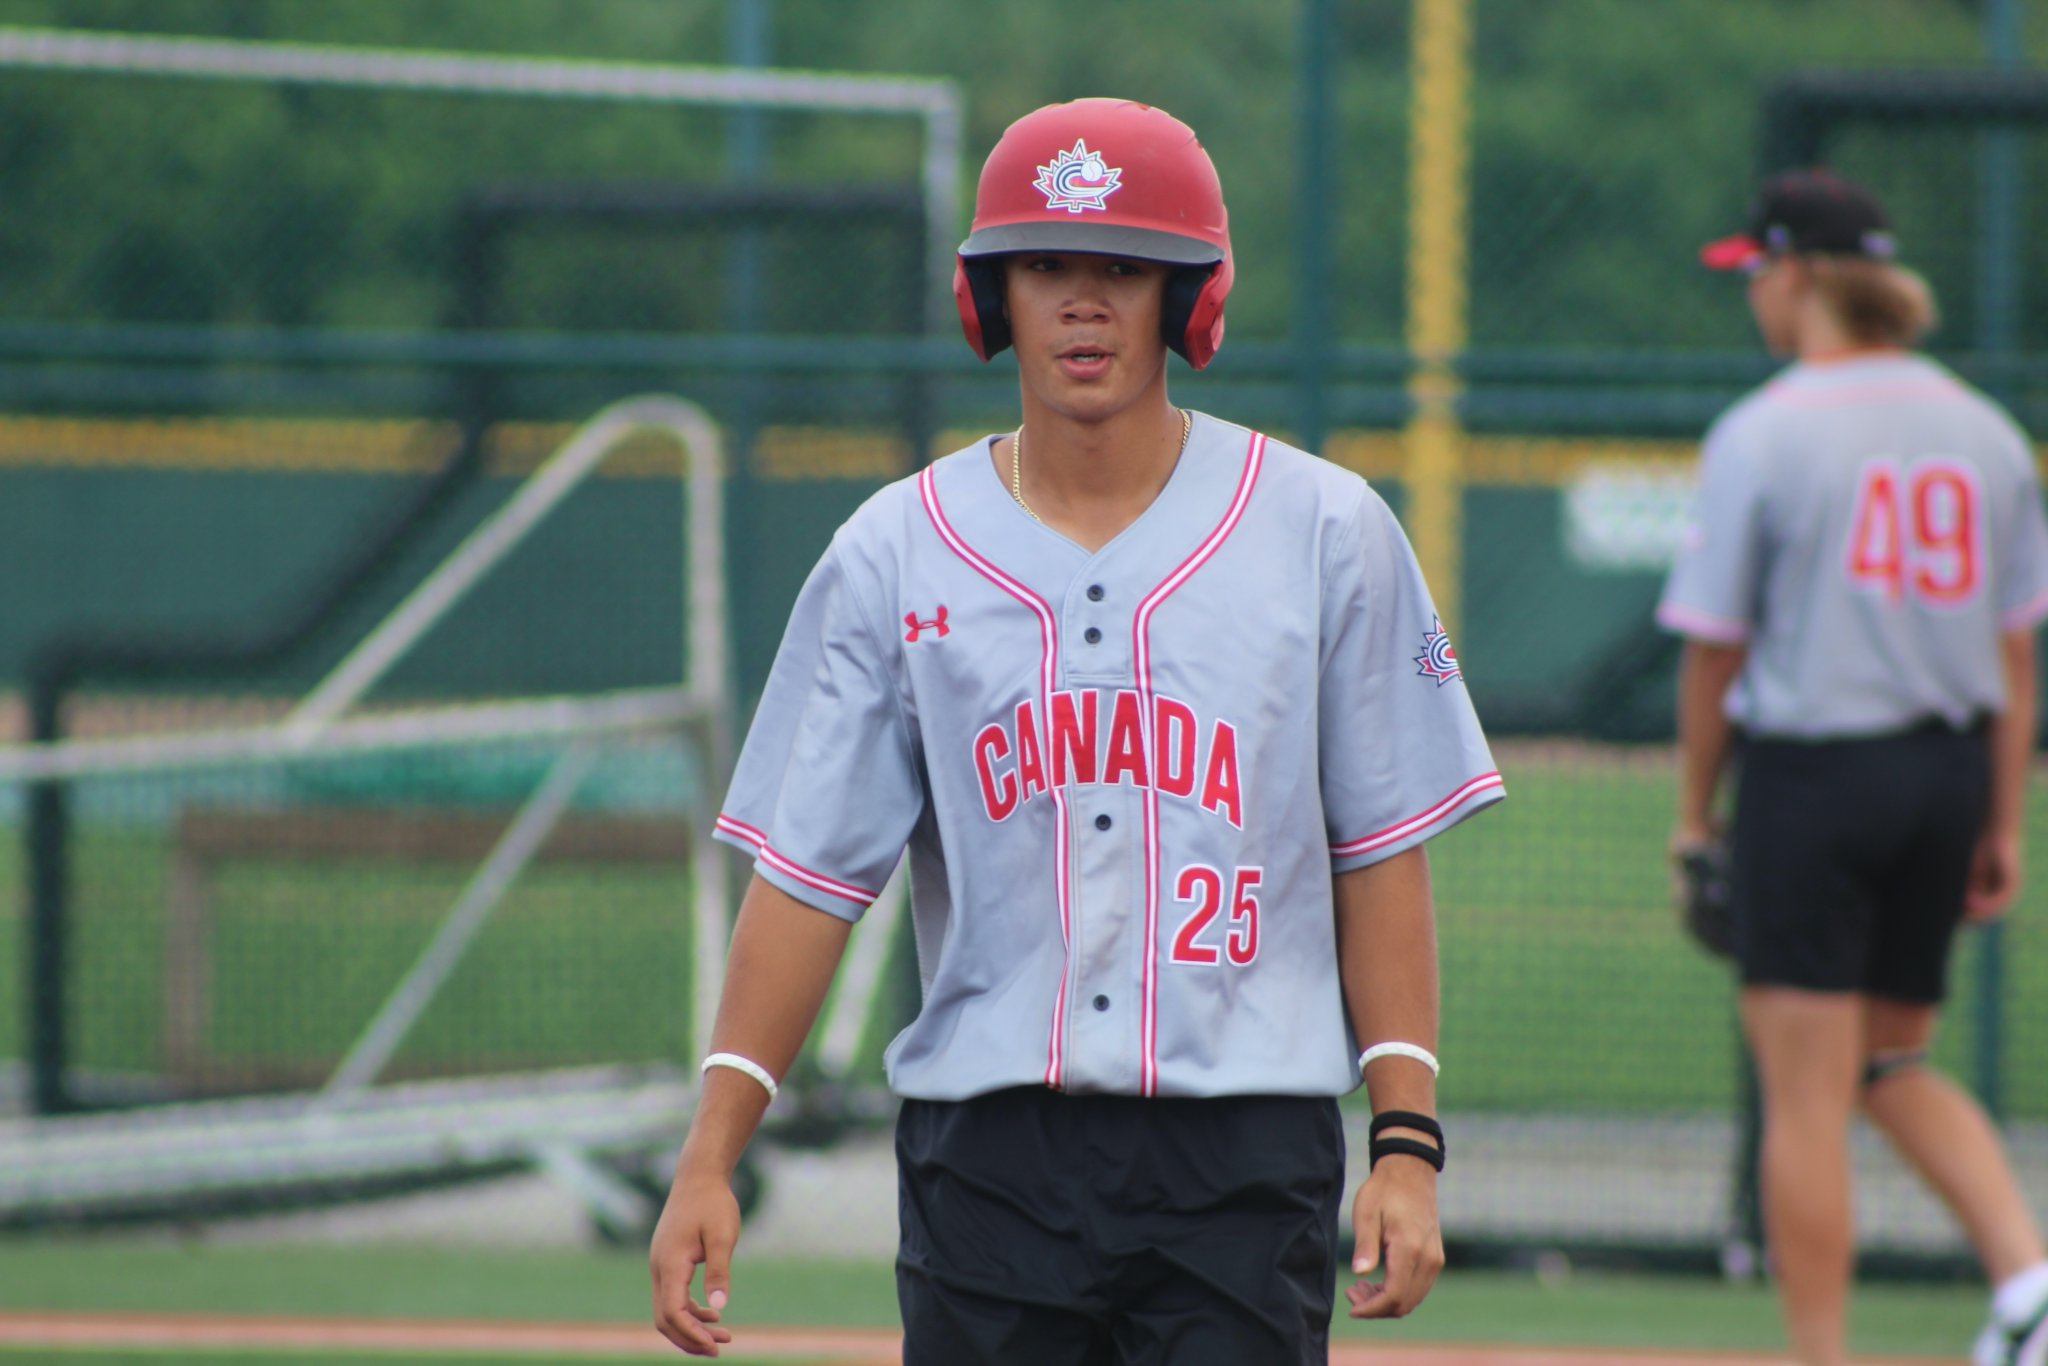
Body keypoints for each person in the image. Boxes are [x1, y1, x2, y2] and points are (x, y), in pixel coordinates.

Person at [647, 96, 1504, 1363]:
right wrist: (710, 1155)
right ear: (990, 297)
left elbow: (1377, 848)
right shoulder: (893, 550)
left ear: (1188, 299)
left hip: (1242, 1146)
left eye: (1123, 268)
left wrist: (1406, 1143)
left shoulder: (1325, 531)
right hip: (989, 1160)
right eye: (1045, 265)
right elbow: (809, 878)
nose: (1083, 303)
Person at [1659, 167, 2048, 1366]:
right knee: (1888, 1059)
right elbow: (2014, 650)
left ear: (1801, 274)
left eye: (1757, 274)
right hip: (1942, 775)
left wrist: (1691, 817)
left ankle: (1817, 1356)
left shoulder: (1764, 430)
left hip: (1816, 779)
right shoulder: (1982, 429)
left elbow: (1714, 653)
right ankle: (2031, 1286)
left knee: (1806, 1093)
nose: (1753, 298)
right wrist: (1999, 818)